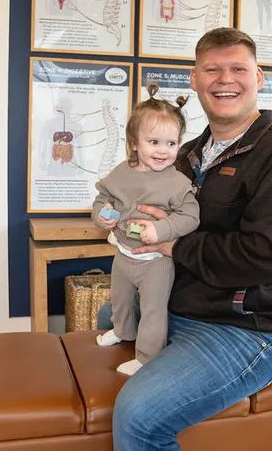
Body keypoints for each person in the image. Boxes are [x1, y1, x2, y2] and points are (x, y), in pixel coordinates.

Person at [108, 27, 272, 450]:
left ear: (258, 78)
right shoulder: (186, 154)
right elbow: (152, 213)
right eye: (213, 69)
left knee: (138, 417)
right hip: (186, 302)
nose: (225, 79)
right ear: (194, 79)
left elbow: (269, 258)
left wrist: (171, 244)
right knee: (107, 316)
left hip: (250, 328)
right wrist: (124, 219)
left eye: (238, 69)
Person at [91, 88, 200, 376]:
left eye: (171, 143)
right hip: (123, 255)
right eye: (154, 142)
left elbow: (191, 217)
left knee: (153, 310)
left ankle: (147, 357)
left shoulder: (176, 182)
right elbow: (103, 199)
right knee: (120, 299)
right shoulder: (121, 173)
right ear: (134, 142)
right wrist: (101, 215)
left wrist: (161, 228)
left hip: (156, 263)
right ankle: (122, 331)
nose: (163, 151)